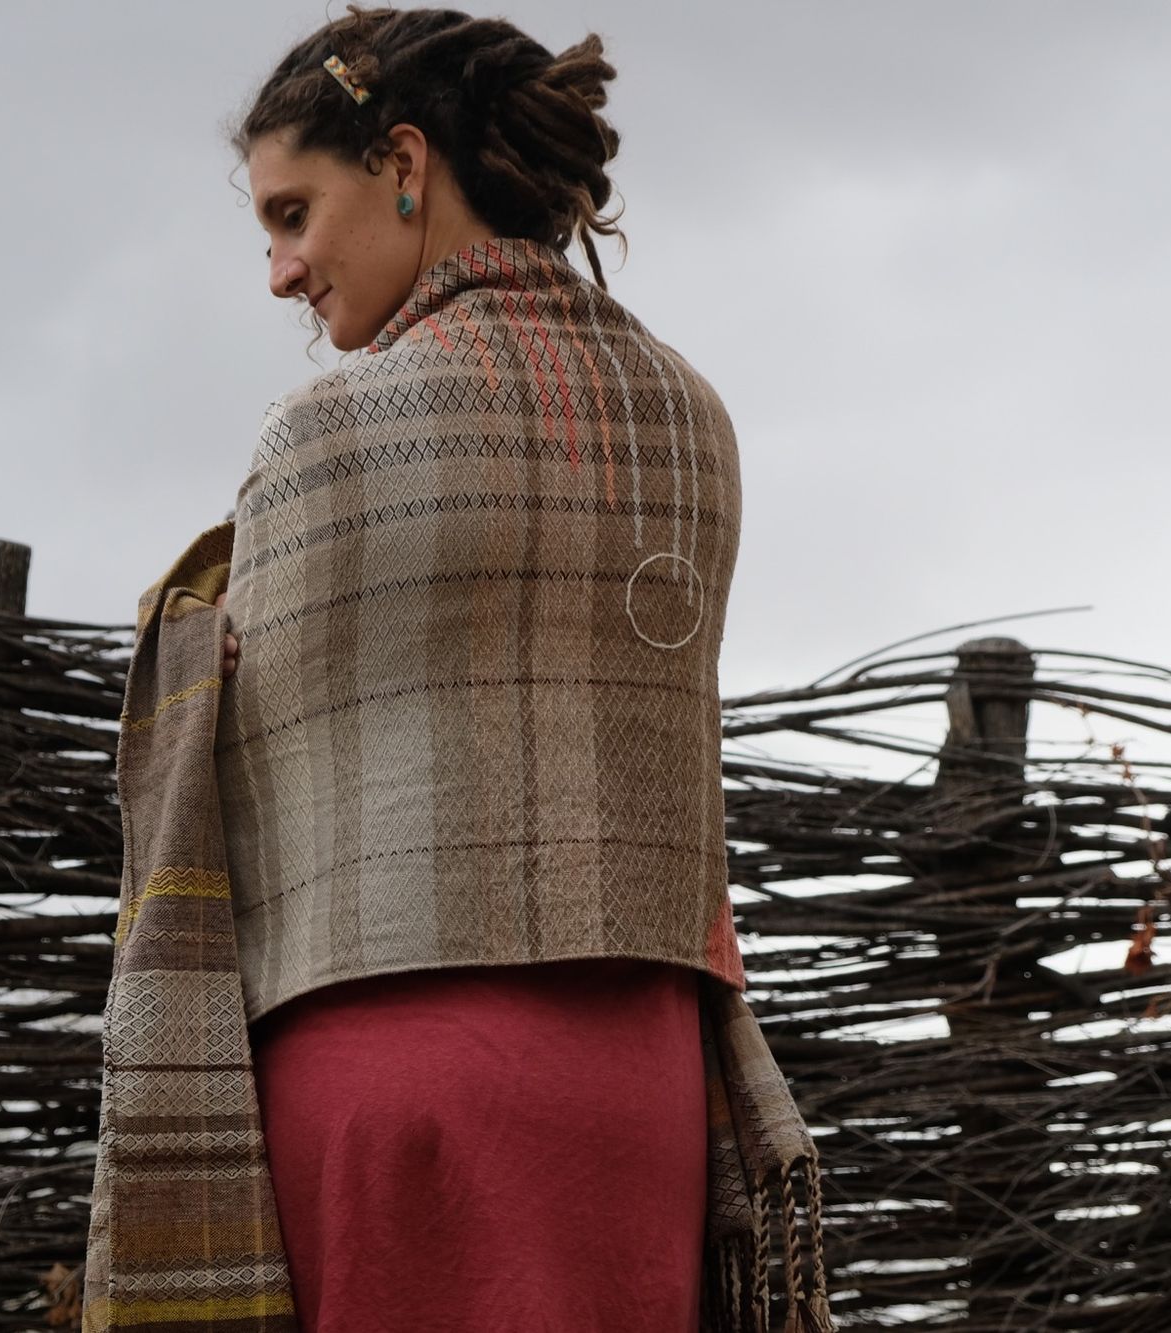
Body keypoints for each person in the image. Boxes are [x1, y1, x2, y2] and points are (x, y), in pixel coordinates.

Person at [170, 8, 816, 1331]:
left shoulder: (325, 438)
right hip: (637, 1082)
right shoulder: (691, 415)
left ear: (403, 162)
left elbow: (231, 788)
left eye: (294, 214)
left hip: (384, 1077)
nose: (282, 273)